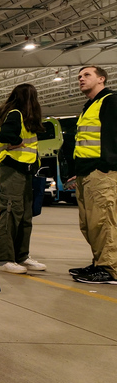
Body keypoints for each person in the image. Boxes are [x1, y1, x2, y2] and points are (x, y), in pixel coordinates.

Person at [69, 66, 117, 284]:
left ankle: (110, 268)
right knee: (89, 224)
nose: (81, 79)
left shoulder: (110, 101)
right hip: (85, 173)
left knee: (104, 221)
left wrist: (107, 165)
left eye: (86, 75)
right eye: (79, 76)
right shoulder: (89, 106)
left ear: (101, 79)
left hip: (102, 172)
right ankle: (100, 262)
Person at [0, 84, 47, 274]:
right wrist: (17, 142)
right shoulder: (15, 114)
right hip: (12, 170)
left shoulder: (25, 119)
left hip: (26, 171)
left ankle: (21, 256)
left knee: (25, 215)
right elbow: (7, 134)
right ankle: (3, 259)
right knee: (10, 212)